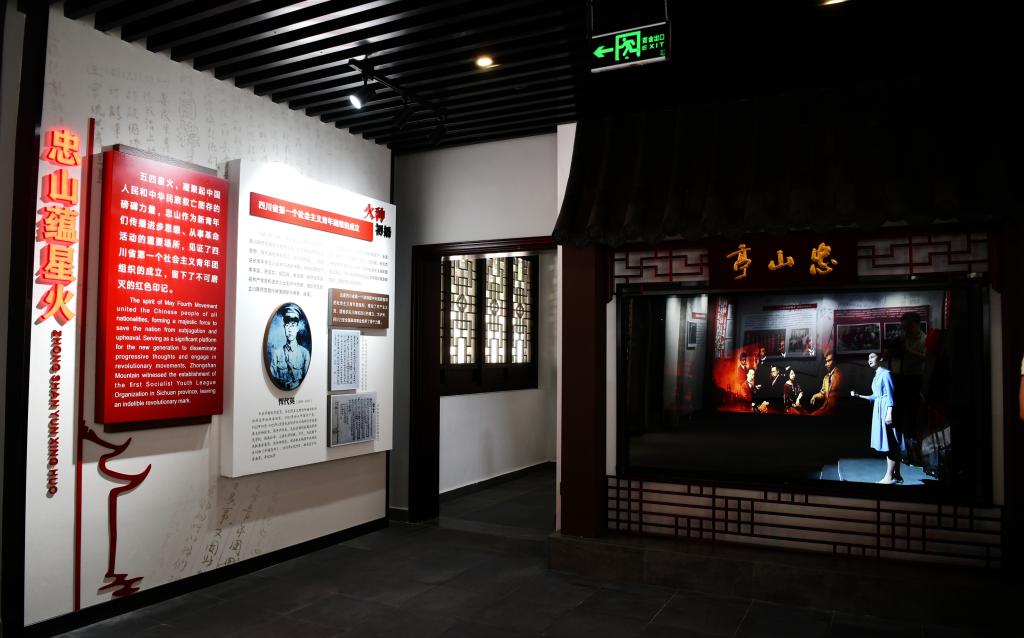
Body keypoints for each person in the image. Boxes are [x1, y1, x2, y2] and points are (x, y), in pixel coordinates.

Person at [851, 352, 902, 484]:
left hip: (886, 409)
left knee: (890, 443)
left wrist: (889, 413)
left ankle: (890, 476)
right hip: (879, 408)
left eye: (872, 357)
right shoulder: (876, 375)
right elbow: (875, 396)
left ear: (881, 359)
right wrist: (859, 396)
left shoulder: (886, 374)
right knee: (889, 442)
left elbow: (890, 394)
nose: (869, 360)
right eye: (868, 358)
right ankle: (896, 475)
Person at [888, 311, 926, 464]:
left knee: (912, 416)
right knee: (897, 417)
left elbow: (927, 358)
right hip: (899, 378)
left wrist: (909, 352)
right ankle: (900, 450)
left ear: (915, 324)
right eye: (903, 327)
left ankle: (914, 451)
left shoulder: (924, 340)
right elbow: (891, 356)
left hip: (914, 380)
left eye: (907, 326)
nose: (905, 330)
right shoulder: (902, 339)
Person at [269, 305, 310, 390]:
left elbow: (307, 381)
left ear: (297, 328)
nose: (290, 329)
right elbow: (272, 378)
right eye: (287, 325)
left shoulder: (304, 354)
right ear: (284, 327)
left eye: (293, 325)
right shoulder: (277, 353)